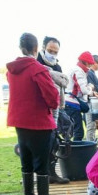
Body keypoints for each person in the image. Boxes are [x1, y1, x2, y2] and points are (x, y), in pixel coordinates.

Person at [6, 32, 62, 195]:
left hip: (19, 120)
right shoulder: (37, 69)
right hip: (38, 121)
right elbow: (52, 97)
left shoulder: (12, 70)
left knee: (26, 158)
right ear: (37, 48)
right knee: (41, 159)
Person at [36, 36, 71, 184]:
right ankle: (41, 178)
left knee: (53, 140)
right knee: (41, 144)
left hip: (55, 107)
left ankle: (51, 174)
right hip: (40, 108)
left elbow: (63, 84)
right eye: (50, 50)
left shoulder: (57, 66)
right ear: (43, 48)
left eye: (55, 51)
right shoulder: (37, 63)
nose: (52, 53)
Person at [65, 51, 98, 141]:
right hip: (72, 103)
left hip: (70, 102)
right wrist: (90, 88)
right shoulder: (79, 71)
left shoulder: (76, 69)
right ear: (86, 62)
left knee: (71, 131)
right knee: (78, 132)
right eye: (90, 64)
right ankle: (75, 153)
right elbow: (84, 90)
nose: (90, 66)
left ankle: (69, 151)